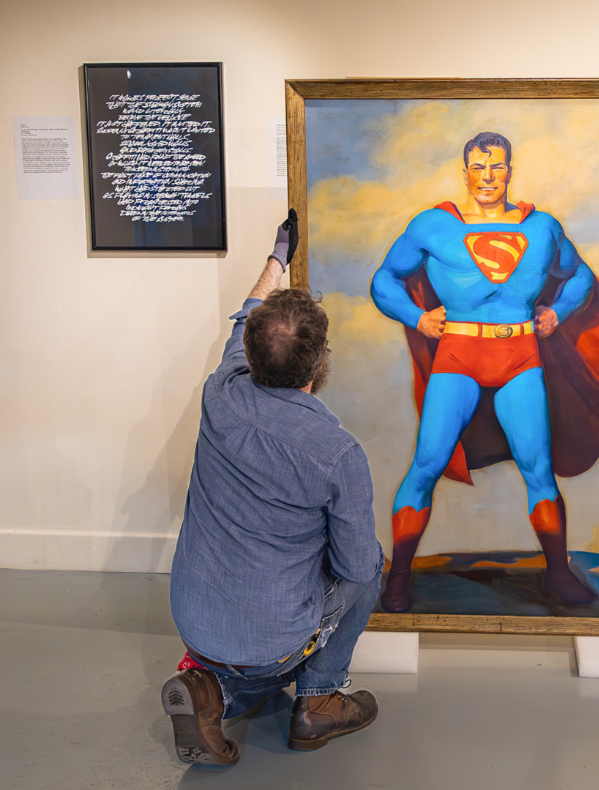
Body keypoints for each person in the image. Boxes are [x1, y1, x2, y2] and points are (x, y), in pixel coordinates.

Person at [370, 131, 599, 614]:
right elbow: (383, 279)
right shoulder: (432, 226)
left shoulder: (541, 228)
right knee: (427, 465)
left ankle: (558, 574)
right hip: (458, 356)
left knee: (537, 469)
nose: (487, 176)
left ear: (509, 169)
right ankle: (398, 579)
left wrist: (558, 311)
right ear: (465, 171)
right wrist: (416, 317)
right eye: (479, 167)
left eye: (496, 166)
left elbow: (578, 274)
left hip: (518, 355)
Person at [161, 211, 385, 765]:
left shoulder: (221, 390)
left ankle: (213, 689)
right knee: (371, 561)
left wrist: (278, 257)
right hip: (272, 639)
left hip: (192, 617)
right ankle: (317, 700)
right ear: (320, 363)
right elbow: (355, 569)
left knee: (255, 638)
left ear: (254, 352)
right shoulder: (337, 453)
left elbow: (248, 312)